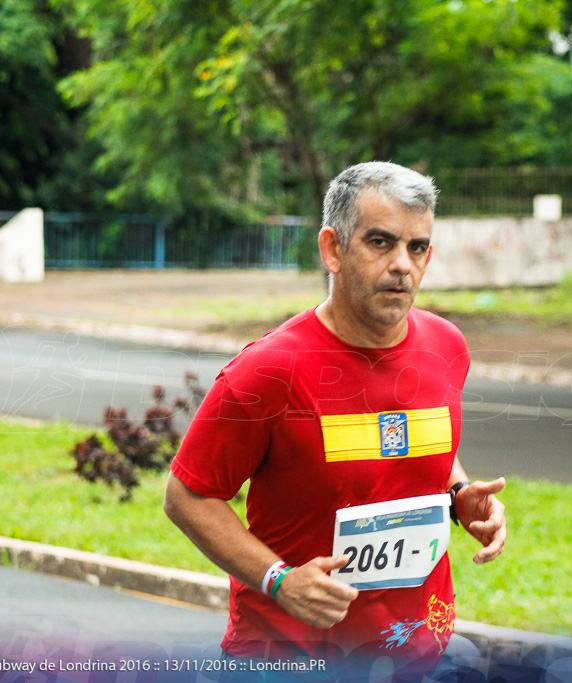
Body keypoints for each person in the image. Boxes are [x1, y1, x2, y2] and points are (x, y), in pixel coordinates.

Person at [163, 161, 507, 677]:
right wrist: (279, 579)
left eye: (416, 248)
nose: (402, 265)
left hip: (417, 649)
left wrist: (460, 495)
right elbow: (187, 495)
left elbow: (413, 438)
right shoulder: (268, 370)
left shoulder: (446, 346)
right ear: (333, 249)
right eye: (380, 242)